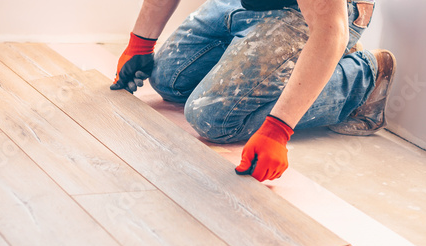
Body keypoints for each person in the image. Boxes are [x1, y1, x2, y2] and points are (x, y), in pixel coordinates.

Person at [110, 0, 396, 182]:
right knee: (167, 79)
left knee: (214, 118)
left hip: (319, 14)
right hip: (247, 4)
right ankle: (288, 60)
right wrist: (140, 43)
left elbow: (329, 29)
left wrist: (278, 129)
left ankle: (362, 76)